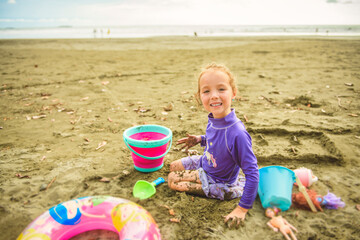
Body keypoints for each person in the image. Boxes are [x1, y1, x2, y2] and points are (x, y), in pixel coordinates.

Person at [168, 63, 259, 228]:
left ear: (234, 93)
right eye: (207, 91)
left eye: (221, 89)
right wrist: (199, 139)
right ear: (200, 96)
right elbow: (215, 139)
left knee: (172, 180)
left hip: (219, 180)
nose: (214, 96)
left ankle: (226, 192)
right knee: (172, 166)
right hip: (206, 161)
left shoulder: (237, 133)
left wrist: (242, 209)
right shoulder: (214, 118)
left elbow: (253, 173)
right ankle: (198, 174)